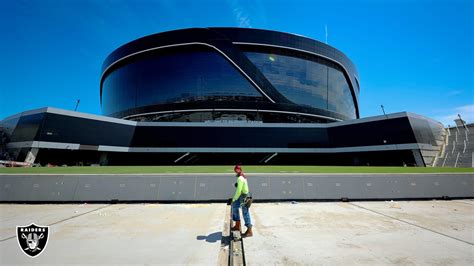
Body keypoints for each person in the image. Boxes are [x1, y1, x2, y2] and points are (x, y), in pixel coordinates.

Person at [230, 164, 253, 238]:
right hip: (242, 195)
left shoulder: (240, 178)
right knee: (234, 207)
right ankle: (237, 225)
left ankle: (249, 231)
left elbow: (239, 190)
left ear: (240, 170)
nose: (236, 171)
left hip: (244, 196)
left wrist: (234, 199)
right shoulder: (242, 176)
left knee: (245, 213)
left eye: (238, 170)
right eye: (236, 170)